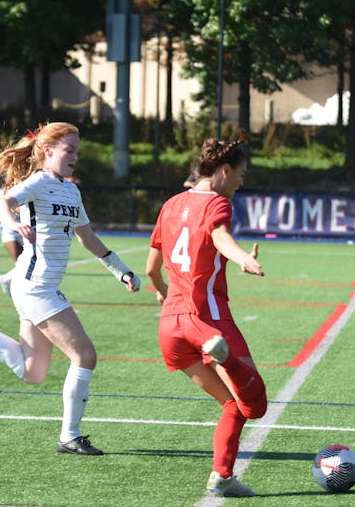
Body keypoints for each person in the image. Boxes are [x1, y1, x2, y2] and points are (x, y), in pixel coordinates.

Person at [0, 122, 141, 456]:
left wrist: (120, 270)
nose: (74, 156)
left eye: (77, 151)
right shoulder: (39, 182)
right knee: (85, 355)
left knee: (33, 373)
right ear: (48, 151)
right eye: (68, 150)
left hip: (35, 287)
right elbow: (2, 199)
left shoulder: (71, 190)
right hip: (35, 287)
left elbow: (86, 236)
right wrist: (12, 223)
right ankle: (70, 436)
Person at [145, 132, 268, 497]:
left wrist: (166, 296)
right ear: (224, 170)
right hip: (209, 319)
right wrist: (243, 257)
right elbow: (219, 236)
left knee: (232, 404)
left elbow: (152, 269)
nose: (240, 183)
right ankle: (226, 359)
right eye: (241, 175)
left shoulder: (170, 204)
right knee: (255, 403)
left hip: (170, 326)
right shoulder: (217, 203)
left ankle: (223, 476)